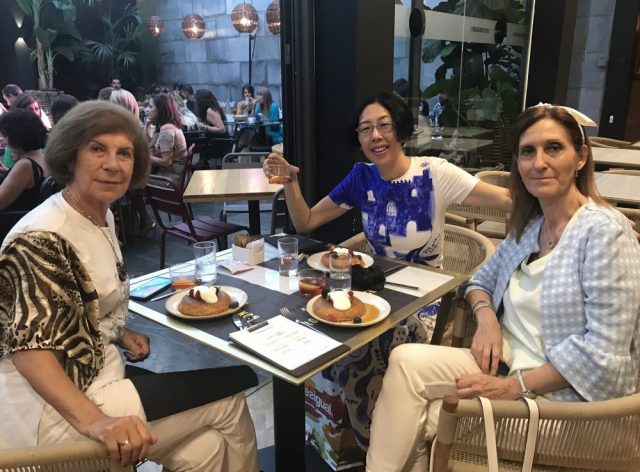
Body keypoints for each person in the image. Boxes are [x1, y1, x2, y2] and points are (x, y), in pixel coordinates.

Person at [365, 104, 640, 471]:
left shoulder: (605, 233)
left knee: (426, 417)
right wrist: (487, 320)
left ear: (581, 157)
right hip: (505, 364)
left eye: (554, 148)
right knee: (405, 362)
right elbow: (479, 281)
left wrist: (515, 386)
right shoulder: (532, 227)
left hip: (570, 404)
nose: (539, 162)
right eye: (528, 151)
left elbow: (602, 354)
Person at [0, 101, 260, 471]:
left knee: (206, 449)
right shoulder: (41, 237)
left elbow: (80, 305)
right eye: (97, 149)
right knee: (229, 399)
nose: (113, 164)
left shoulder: (98, 213)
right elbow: (30, 352)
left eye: (124, 153)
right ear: (70, 156)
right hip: (48, 415)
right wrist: (96, 422)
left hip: (100, 377)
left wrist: (120, 333)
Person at [263, 91, 510, 448]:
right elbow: (307, 221)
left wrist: (573, 203)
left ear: (401, 130)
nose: (375, 136)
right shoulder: (362, 177)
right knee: (326, 335)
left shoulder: (433, 173)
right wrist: (290, 182)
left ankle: (379, 447)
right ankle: (374, 442)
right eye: (365, 129)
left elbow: (506, 200)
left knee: (361, 353)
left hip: (425, 304)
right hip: (376, 296)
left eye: (384, 126)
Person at [0, 109, 49, 240]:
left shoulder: (25, 166)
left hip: (13, 229)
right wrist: (7, 171)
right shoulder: (42, 158)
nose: (4, 140)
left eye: (6, 135)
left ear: (16, 136)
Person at [2, 93, 51, 171]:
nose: (35, 113)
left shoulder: (47, 138)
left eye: (37, 109)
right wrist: (7, 171)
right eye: (30, 109)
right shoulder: (12, 145)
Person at [148, 92, 188, 186]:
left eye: (151, 107)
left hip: (170, 180)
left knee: (133, 181)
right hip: (177, 176)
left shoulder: (166, 130)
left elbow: (166, 161)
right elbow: (152, 146)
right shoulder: (171, 125)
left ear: (159, 110)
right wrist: (147, 127)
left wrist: (147, 157)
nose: (148, 110)